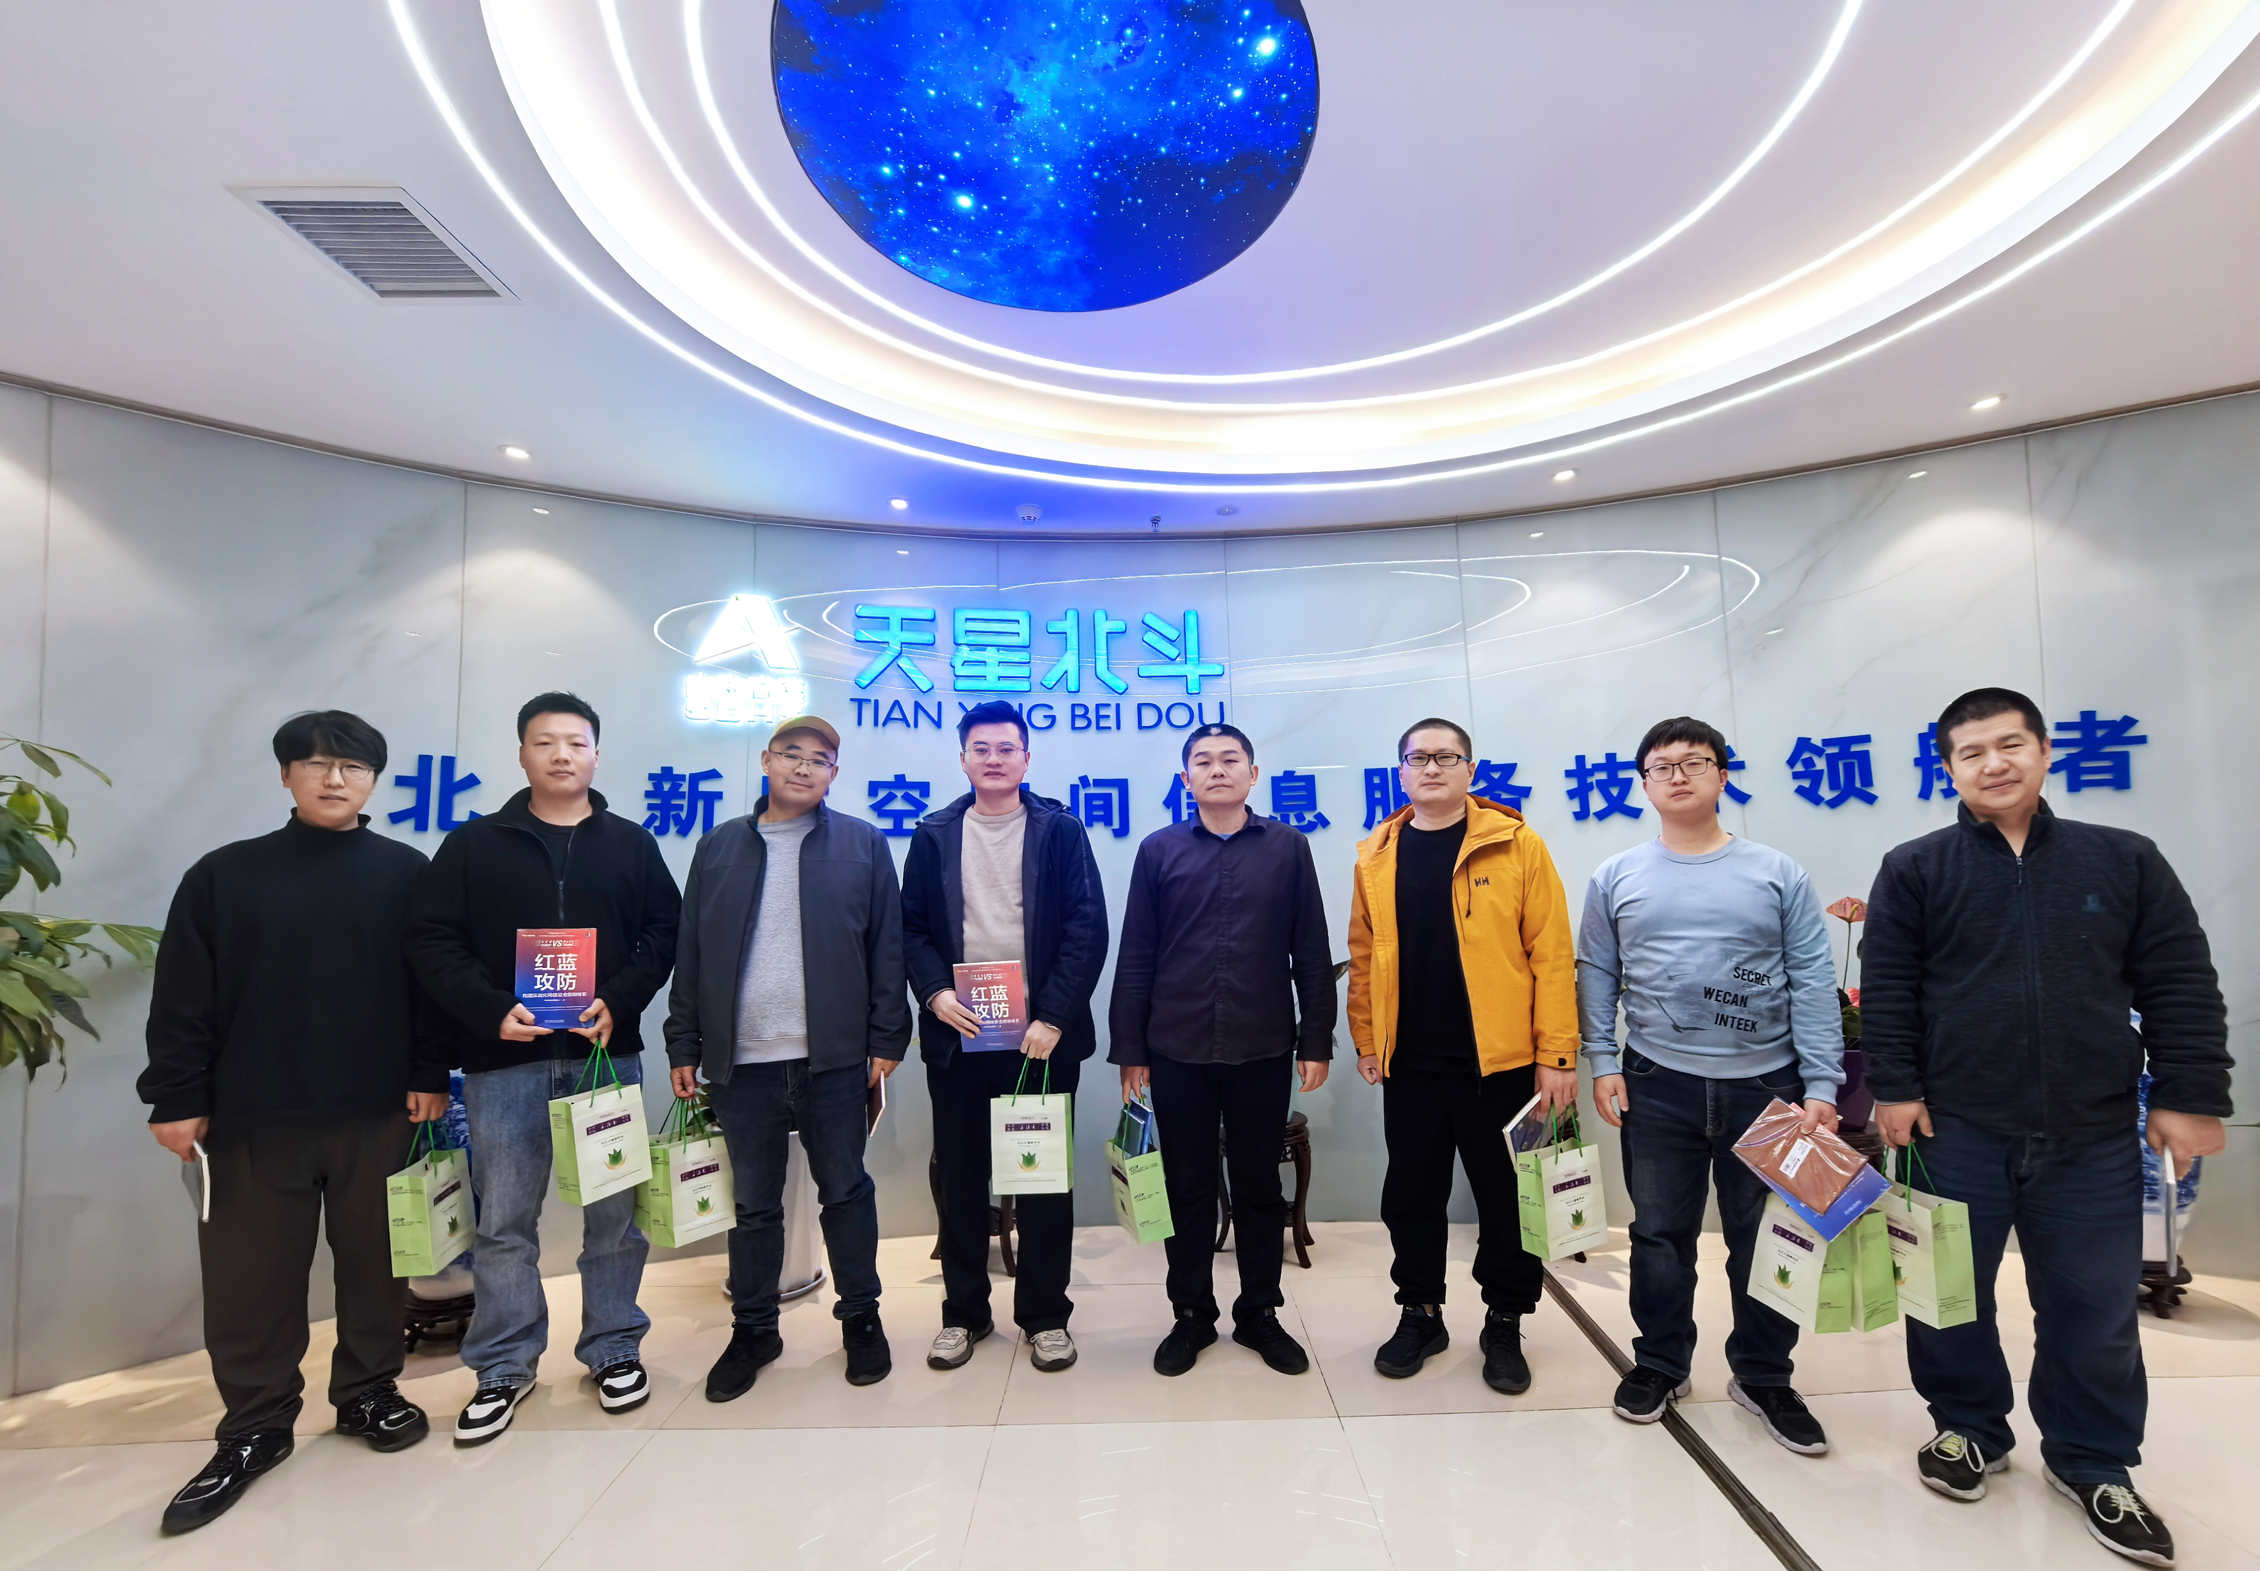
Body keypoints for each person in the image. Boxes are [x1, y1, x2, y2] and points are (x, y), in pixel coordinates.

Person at [1863, 687, 2230, 1567]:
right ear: (1948, 769)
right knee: (1948, 1294)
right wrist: (1896, 1087)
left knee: (2094, 1310)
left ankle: (2093, 1460)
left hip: (2092, 1133)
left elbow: (2179, 977)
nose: (1993, 763)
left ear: (2043, 750)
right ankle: (1968, 1427)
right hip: (1955, 1130)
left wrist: (2190, 1092)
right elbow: (1890, 987)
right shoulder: (1916, 867)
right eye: (1971, 752)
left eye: (2010, 744)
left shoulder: (2124, 857)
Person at [139, 711, 448, 1534]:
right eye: (315, 764)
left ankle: (369, 1391)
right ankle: (255, 1423)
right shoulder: (224, 875)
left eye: (353, 766)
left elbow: (431, 987)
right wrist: (175, 1095)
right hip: (251, 1115)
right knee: (250, 1279)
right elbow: (182, 993)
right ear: (286, 775)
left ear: (374, 780)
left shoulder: (406, 872)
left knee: (378, 1264)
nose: (334, 778)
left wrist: (429, 1074)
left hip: (378, 1110)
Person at [405, 692, 681, 1444]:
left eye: (576, 742)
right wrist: (489, 1009)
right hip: (503, 1063)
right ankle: (503, 1364)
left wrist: (619, 999)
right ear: (522, 753)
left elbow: (664, 931)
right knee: (503, 1223)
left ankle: (613, 1346)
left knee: (614, 1218)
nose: (562, 754)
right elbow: (432, 940)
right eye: (545, 741)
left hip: (603, 1060)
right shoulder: (474, 845)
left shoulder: (631, 844)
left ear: (597, 754)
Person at [1580, 716, 1844, 1453]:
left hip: (1768, 1086)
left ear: (1723, 775)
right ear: (1644, 783)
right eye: (1661, 766)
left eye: (1694, 762)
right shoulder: (1617, 875)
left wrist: (1823, 1081)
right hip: (1656, 1080)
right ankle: (1660, 1363)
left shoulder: (1777, 872)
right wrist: (1602, 1059)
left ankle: (1764, 1375)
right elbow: (1597, 971)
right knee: (1659, 1235)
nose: (1677, 775)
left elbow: (1813, 979)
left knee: (1766, 1237)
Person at [664, 714, 910, 1400]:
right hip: (743, 1063)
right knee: (753, 1205)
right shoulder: (718, 846)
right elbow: (691, 952)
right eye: (792, 754)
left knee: (846, 1191)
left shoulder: (862, 844)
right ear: (766, 761)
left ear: (835, 773)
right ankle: (754, 1329)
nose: (804, 767)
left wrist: (887, 1038)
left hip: (835, 1059)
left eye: (820, 759)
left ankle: (861, 1318)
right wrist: (684, 1040)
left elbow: (887, 948)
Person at [1347, 718, 1576, 1394]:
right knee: (1410, 1198)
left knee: (1507, 1202)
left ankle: (1505, 1322)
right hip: (1411, 1065)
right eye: (1418, 757)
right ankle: (1420, 1314)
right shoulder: (1376, 856)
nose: (1431, 767)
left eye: (1446, 757)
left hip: (1501, 1066)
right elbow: (1363, 957)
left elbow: (1552, 954)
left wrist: (1557, 1055)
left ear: (1470, 770)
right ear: (1401, 771)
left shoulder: (1517, 844)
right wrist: (1367, 1038)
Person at [1110, 723, 1335, 1377]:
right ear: (1186, 779)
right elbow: (1137, 954)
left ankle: (1259, 1312)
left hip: (1262, 1044)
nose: (1217, 769)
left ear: (1252, 773)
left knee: (1259, 1186)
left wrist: (1315, 1039)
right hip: (1175, 1046)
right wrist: (1131, 1049)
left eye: (1230, 759)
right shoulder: (1158, 850)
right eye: (1202, 761)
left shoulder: (1288, 848)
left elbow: (1311, 950)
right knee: (1186, 1186)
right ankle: (1191, 1314)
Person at [902, 700, 1108, 1373]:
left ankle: (1045, 1316)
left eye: (1006, 748)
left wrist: (1055, 1016)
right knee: (962, 1180)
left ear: (1026, 757)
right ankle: (963, 1314)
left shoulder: (1060, 830)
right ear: (963, 758)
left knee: (1042, 1178)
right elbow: (912, 928)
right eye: (981, 748)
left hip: (1040, 1039)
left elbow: (1086, 926)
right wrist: (936, 993)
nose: (994, 758)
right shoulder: (934, 833)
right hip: (960, 1035)